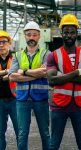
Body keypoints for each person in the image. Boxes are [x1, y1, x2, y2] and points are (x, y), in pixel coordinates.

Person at [47, 14, 81, 150]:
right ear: (61, 33)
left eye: (72, 32)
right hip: (59, 106)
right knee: (54, 144)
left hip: (80, 106)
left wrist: (61, 76)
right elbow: (51, 80)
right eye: (66, 32)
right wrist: (76, 72)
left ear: (76, 34)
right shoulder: (53, 55)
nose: (69, 35)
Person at [9, 21, 50, 150]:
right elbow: (11, 76)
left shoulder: (46, 54)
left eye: (34, 35)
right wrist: (37, 73)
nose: (31, 37)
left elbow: (46, 73)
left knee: (45, 133)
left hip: (41, 99)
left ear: (39, 36)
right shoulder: (18, 55)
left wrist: (24, 72)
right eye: (28, 34)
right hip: (22, 100)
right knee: (22, 134)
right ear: (24, 36)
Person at [0, 30, 18, 150]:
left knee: (19, 131)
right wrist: (7, 71)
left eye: (4, 42)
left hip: (15, 100)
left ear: (9, 43)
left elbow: (19, 72)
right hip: (0, 101)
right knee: (0, 132)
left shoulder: (16, 57)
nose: (1, 45)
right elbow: (13, 72)